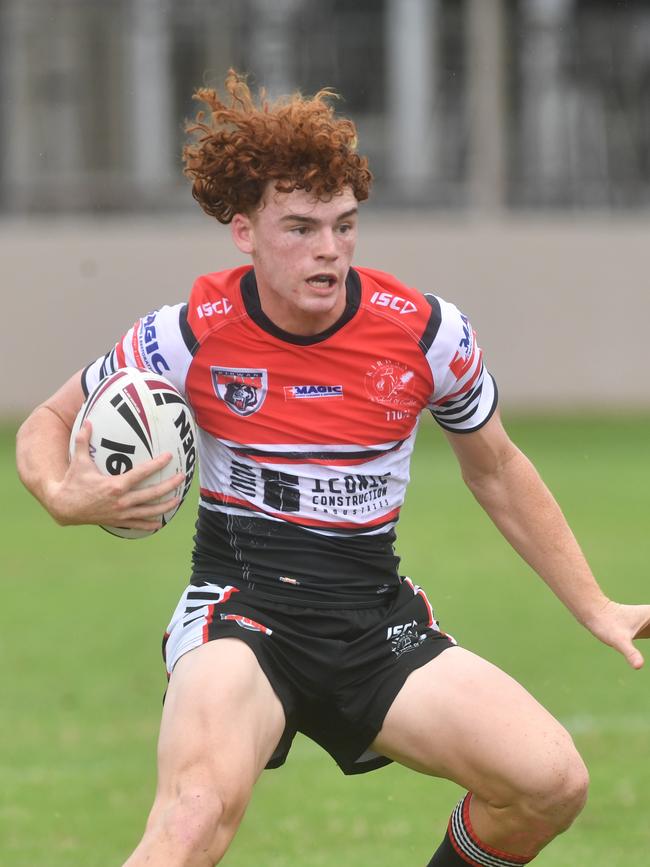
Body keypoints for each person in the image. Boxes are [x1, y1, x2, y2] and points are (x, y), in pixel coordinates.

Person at [16, 70, 650, 867]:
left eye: (345, 226)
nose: (329, 251)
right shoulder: (187, 333)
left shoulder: (427, 334)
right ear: (243, 230)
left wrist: (594, 603)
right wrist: (61, 493)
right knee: (189, 823)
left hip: (371, 619)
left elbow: (497, 469)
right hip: (240, 615)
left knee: (550, 782)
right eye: (301, 228)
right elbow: (48, 420)